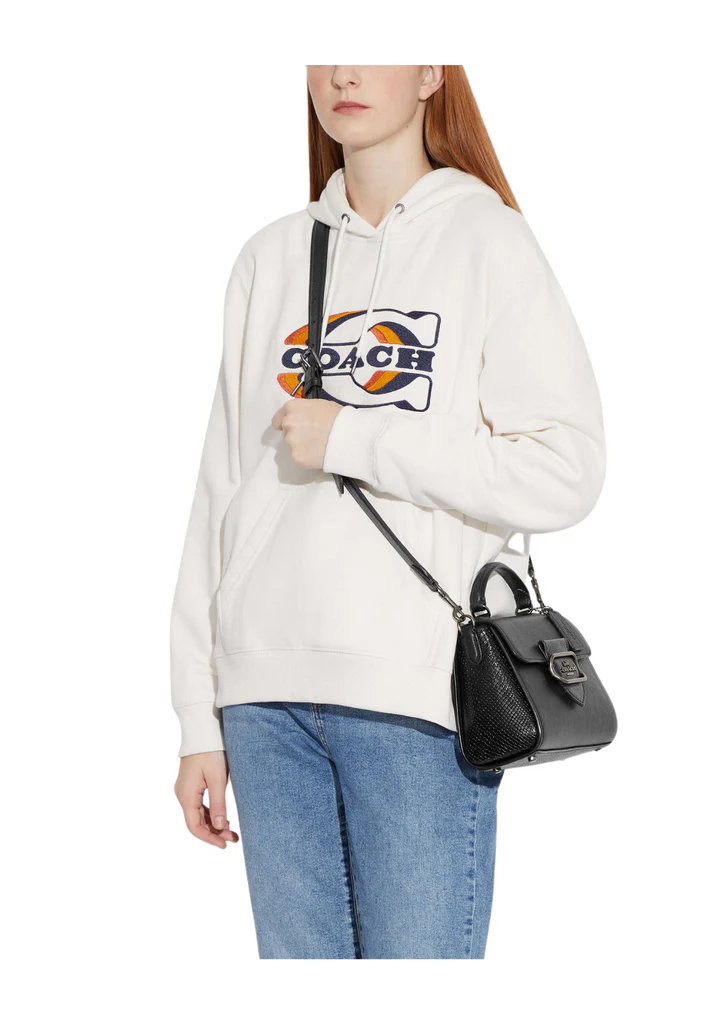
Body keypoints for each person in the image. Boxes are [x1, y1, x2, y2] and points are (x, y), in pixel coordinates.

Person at [170, 65, 607, 959]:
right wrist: (196, 718)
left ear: (431, 71)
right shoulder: (270, 256)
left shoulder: (487, 239)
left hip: (413, 695)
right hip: (263, 699)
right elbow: (219, 491)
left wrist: (356, 438)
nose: (343, 71)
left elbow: (565, 469)